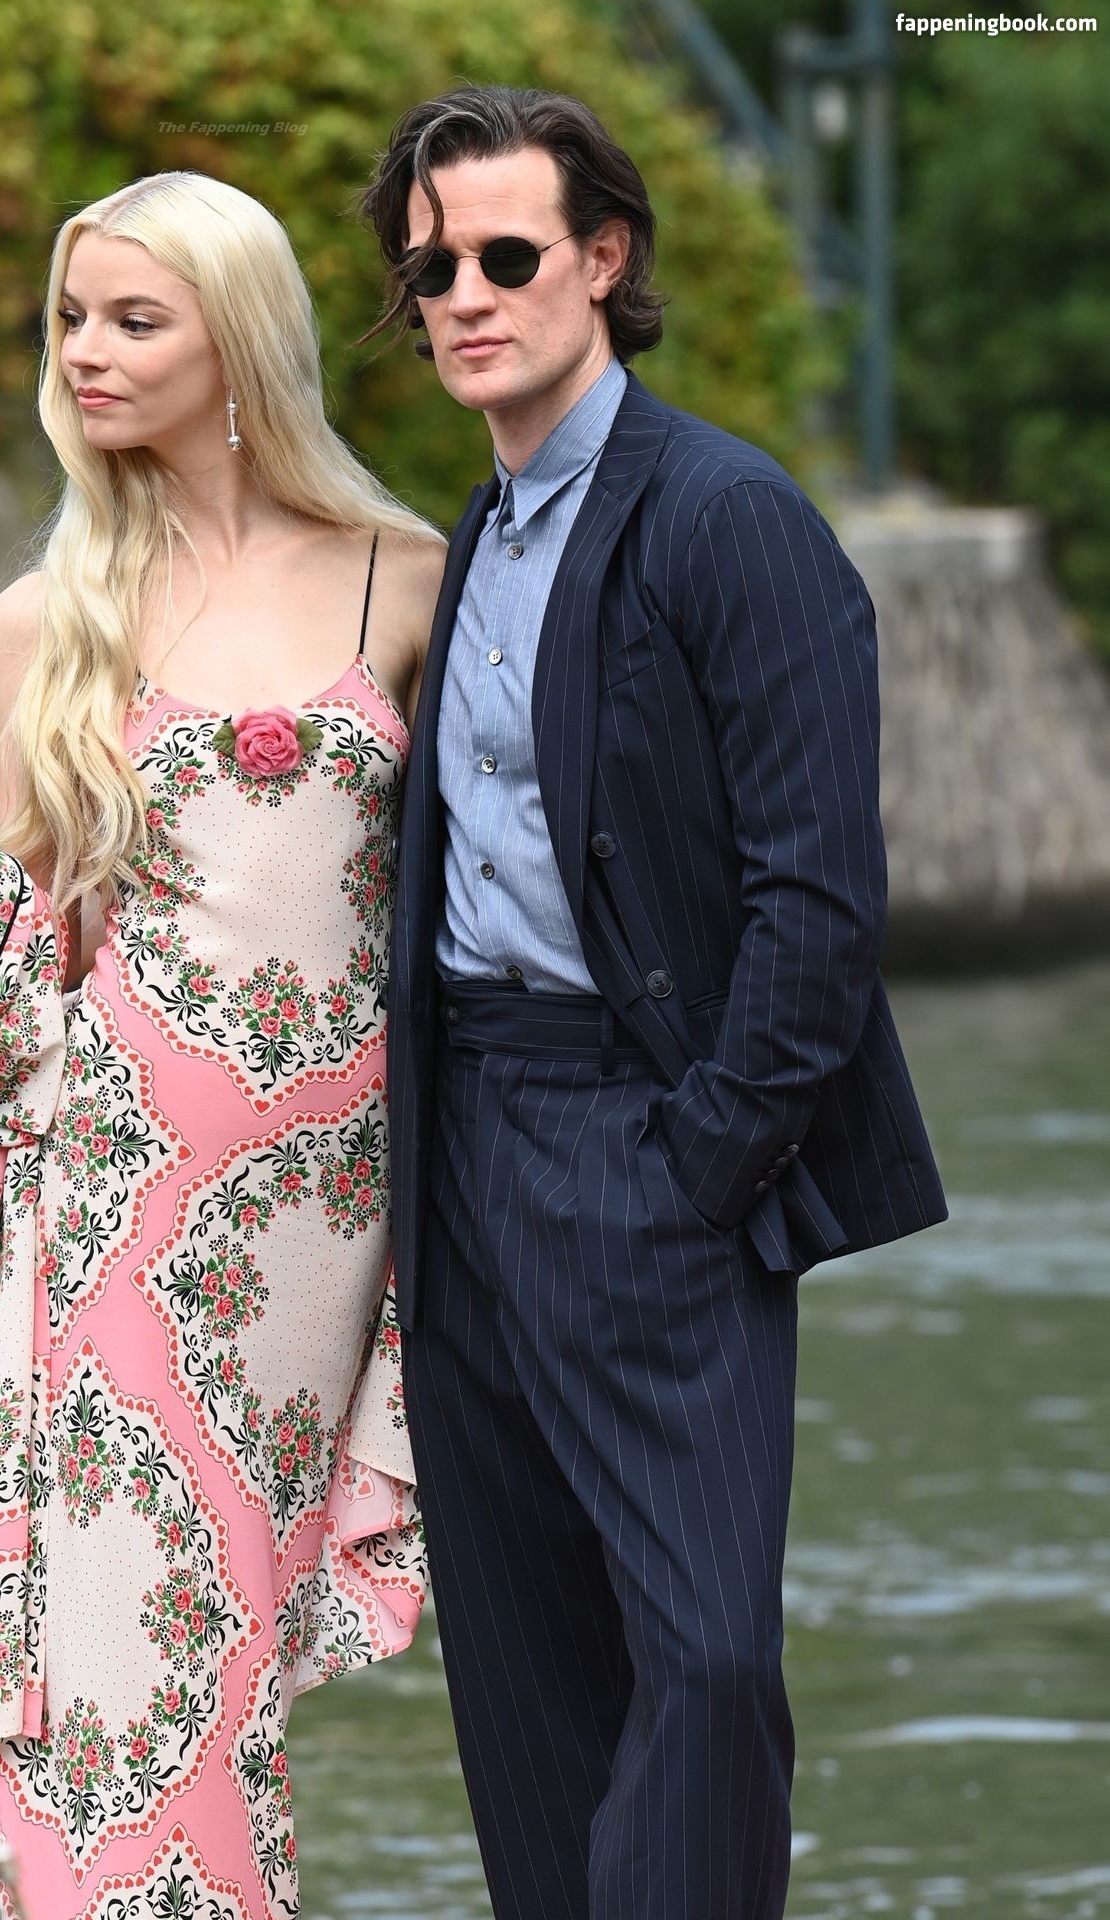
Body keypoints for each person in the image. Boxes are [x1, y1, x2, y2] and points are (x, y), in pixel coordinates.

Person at [357, 84, 950, 1919]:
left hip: (646, 1145)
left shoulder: (731, 518)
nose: (467, 296)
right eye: (432, 269)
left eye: (506, 255)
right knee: (530, 1676)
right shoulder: (479, 533)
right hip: (468, 1148)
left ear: (604, 258)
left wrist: (699, 1168)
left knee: (704, 1660)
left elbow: (819, 906)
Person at [0, 170, 446, 1920]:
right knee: (114, 1674)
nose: (84, 353)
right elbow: (33, 989)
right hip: (109, 1207)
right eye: (71, 320)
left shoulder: (409, 579)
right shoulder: (46, 621)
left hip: (327, 1224)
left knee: (224, 1671)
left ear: (236, 340)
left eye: (132, 318)